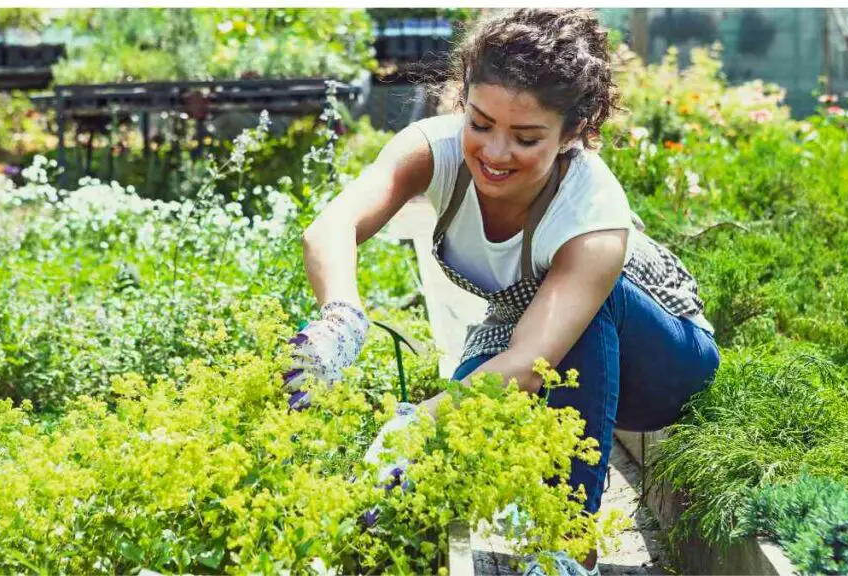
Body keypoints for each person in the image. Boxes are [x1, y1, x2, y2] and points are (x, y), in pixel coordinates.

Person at [283, 8, 720, 576]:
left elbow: (529, 365)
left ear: (572, 134)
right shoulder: (432, 150)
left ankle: (568, 544)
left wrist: (417, 421)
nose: (493, 152)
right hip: (531, 330)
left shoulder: (593, 210)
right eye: (481, 122)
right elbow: (329, 228)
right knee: (457, 426)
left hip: (663, 362)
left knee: (523, 365)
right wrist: (341, 317)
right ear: (462, 98)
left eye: (526, 137)